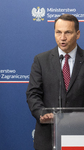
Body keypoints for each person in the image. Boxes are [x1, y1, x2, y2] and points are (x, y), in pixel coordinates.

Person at [26, 14, 84, 150]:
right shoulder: (41, 60)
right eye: (58, 32)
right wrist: (42, 113)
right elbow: (33, 93)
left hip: (79, 134)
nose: (62, 37)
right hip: (48, 136)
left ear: (77, 34)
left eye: (67, 32)